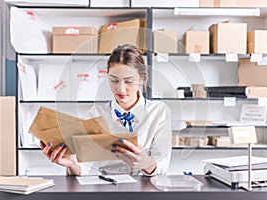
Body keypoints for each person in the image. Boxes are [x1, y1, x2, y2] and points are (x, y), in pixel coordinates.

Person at [40, 44, 172, 176]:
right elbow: (85, 167)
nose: (120, 89)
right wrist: (72, 165)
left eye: (129, 81)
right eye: (114, 80)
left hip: (144, 192)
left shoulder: (159, 112)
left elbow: (162, 164)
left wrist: (147, 164)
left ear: (142, 79)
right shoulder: (95, 114)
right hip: (106, 190)